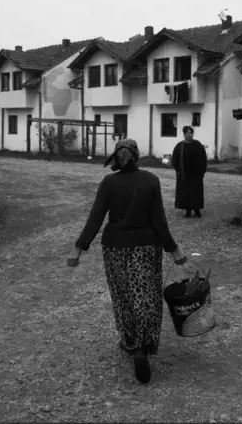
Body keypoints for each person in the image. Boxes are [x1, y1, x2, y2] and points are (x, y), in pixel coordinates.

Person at [71, 139, 187, 385]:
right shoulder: (150, 180)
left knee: (123, 295)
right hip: (145, 247)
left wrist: (78, 249)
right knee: (146, 296)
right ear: (138, 156)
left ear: (117, 157)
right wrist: (174, 250)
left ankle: (131, 340)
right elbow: (159, 222)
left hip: (114, 248)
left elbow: (96, 218)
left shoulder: (109, 182)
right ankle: (144, 346)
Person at [171, 126, 207, 218]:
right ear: (184, 134)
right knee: (185, 193)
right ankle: (187, 211)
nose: (189, 134)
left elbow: (204, 158)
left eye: (191, 133)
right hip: (184, 175)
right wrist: (178, 171)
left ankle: (197, 210)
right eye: (187, 133)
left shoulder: (198, 145)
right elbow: (174, 160)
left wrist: (202, 171)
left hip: (196, 174)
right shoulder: (179, 146)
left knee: (196, 193)